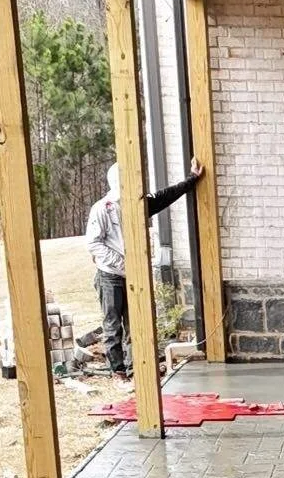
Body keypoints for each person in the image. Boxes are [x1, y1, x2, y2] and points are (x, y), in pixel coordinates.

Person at [85, 158, 204, 378]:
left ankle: (136, 368)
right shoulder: (102, 209)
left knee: (135, 323)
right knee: (112, 325)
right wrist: (123, 263)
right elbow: (94, 244)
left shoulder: (138, 205)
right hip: (110, 275)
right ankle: (118, 371)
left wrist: (192, 179)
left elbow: (166, 196)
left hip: (133, 275)